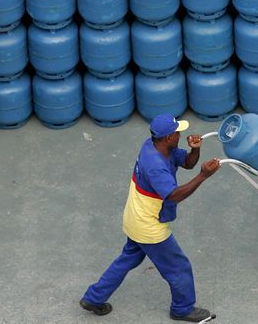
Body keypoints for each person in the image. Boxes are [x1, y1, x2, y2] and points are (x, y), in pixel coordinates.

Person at [80, 114, 221, 322]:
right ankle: (182, 309)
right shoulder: (155, 165)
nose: (180, 134)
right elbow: (175, 195)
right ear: (167, 138)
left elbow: (188, 163)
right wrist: (203, 176)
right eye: (177, 132)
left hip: (134, 217)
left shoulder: (155, 145)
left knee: (129, 258)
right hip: (148, 225)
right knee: (178, 266)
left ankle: (93, 297)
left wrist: (196, 149)